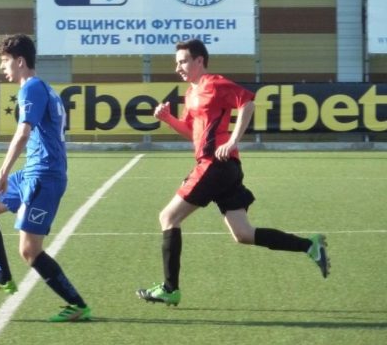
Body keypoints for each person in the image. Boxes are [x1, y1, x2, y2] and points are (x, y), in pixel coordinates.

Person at [137, 39, 330, 306]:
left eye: (183, 61)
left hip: (215, 165)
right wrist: (168, 119)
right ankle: (310, 246)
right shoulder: (190, 93)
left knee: (168, 217)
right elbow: (192, 133)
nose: (178, 67)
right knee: (243, 234)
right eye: (177, 62)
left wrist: (232, 140)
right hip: (225, 169)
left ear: (199, 61)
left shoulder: (214, 83)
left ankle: (170, 288)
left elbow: (247, 103)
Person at [0, 33, 91, 322]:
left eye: (5, 61)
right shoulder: (42, 88)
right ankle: (3, 278)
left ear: (20, 61)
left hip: (44, 177)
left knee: (29, 251)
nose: (2, 67)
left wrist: (2, 173)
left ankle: (77, 305)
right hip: (31, 172)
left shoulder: (32, 88)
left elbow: (23, 133)